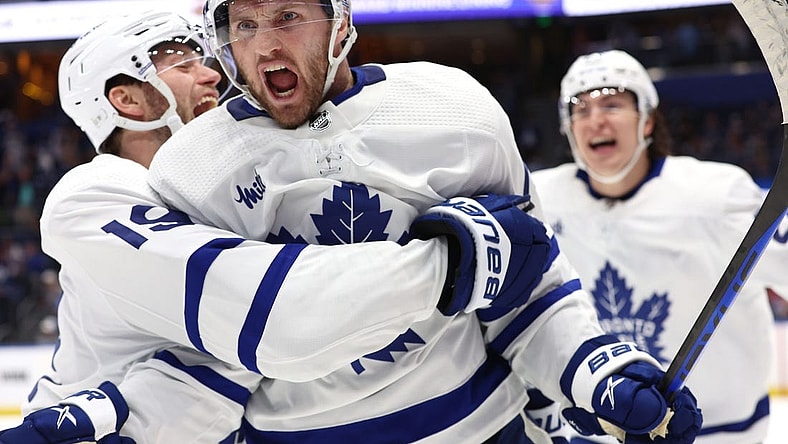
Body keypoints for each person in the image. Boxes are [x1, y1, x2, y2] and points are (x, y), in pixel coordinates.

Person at [144, 1, 701, 442]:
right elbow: (203, 359)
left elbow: (528, 295)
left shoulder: (454, 111)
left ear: (339, 23)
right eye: (244, 24)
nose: (265, 43)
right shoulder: (193, 169)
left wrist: (593, 372)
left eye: (288, 17)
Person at [0, 9, 486, 444]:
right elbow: (278, 318)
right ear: (126, 99)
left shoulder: (225, 190)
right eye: (182, 63)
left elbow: (218, 373)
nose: (210, 74)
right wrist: (461, 256)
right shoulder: (93, 195)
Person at [530, 49, 786, 444]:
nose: (595, 118)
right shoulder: (540, 199)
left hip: (716, 435)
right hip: (597, 434)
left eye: (613, 103)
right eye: (580, 109)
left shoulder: (717, 197)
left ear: (648, 120)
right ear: (567, 128)